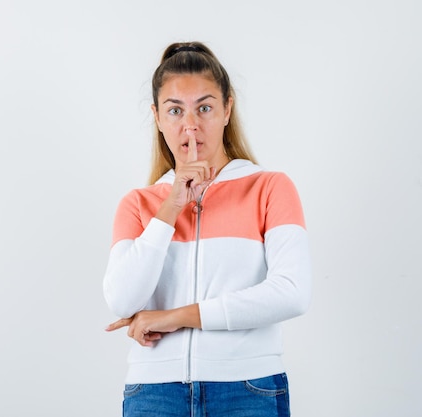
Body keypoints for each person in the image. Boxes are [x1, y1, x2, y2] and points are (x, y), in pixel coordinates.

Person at [103, 41, 312, 417]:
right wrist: (169, 208)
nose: (190, 126)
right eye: (175, 110)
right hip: (153, 394)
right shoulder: (137, 204)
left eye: (204, 107)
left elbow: (292, 293)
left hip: (249, 389)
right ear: (157, 116)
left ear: (227, 108)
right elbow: (122, 300)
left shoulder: (269, 188)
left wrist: (173, 316)